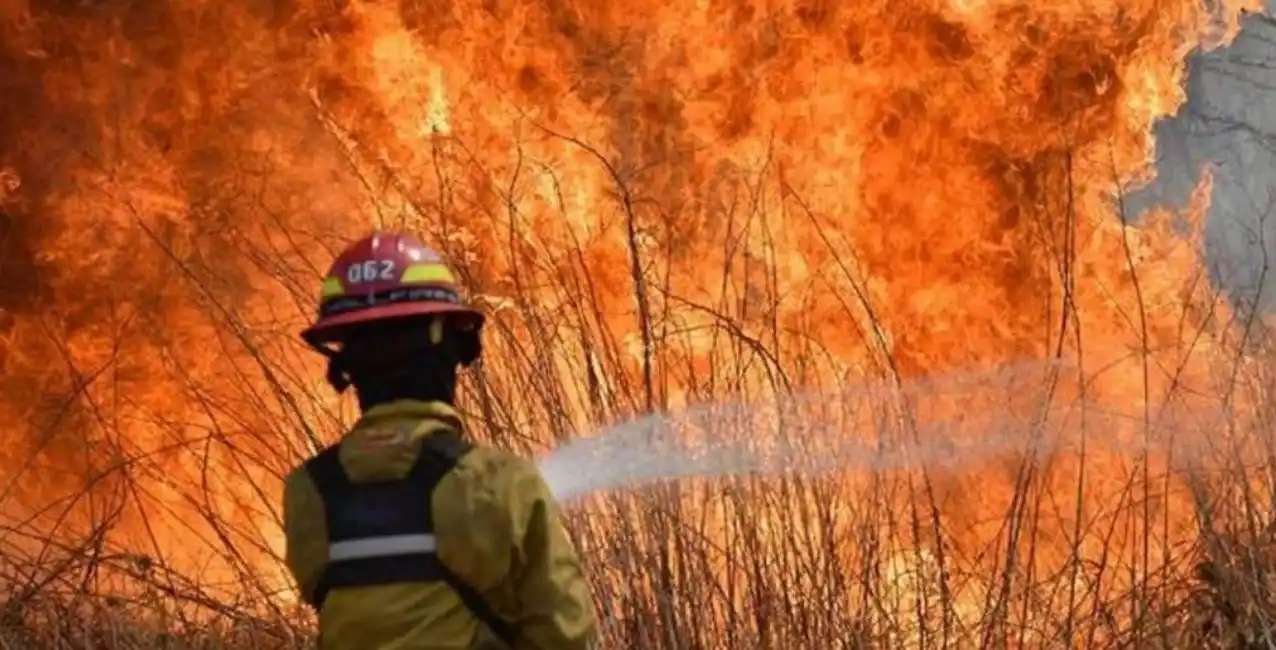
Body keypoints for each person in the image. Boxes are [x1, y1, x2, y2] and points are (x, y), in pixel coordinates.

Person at [280, 231, 598, 649]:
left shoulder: (307, 492)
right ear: (449, 346)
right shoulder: (500, 483)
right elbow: (566, 635)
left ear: (346, 366)